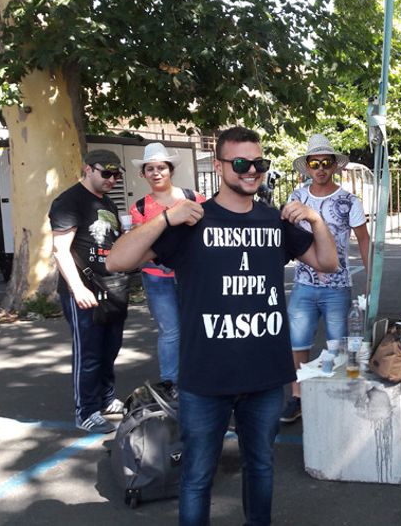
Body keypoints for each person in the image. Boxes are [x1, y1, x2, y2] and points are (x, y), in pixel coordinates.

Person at [106, 126, 338, 526]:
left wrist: (316, 221)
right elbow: (117, 261)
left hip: (265, 376)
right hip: (205, 378)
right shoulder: (193, 220)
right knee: (197, 475)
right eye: (241, 163)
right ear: (218, 166)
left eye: (259, 164)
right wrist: (165, 218)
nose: (252, 171)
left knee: (261, 466)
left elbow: (327, 264)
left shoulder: (271, 220)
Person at [280, 133, 370, 423]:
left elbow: (364, 240)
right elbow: (285, 235)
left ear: (335, 166)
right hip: (304, 283)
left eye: (326, 163)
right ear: (307, 167)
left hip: (337, 285)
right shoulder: (297, 197)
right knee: (298, 343)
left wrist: (373, 279)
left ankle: (338, 396)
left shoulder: (348, 200)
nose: (320, 168)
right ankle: (298, 395)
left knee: (339, 345)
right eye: (314, 163)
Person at [49, 149, 129, 434]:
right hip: (84, 289)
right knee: (89, 352)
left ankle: (106, 399)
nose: (112, 179)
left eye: (116, 174)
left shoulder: (106, 201)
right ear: (87, 169)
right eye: (106, 173)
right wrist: (77, 288)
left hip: (111, 286)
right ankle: (86, 411)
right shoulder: (69, 201)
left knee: (110, 348)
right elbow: (60, 251)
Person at [129, 142, 206, 396]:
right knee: (170, 331)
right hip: (156, 278)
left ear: (170, 170)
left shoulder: (194, 198)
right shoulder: (139, 208)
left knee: (197, 325)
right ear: (143, 174)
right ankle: (172, 382)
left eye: (161, 167)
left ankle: (199, 374)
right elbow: (139, 243)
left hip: (191, 276)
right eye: (150, 169)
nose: (156, 172)